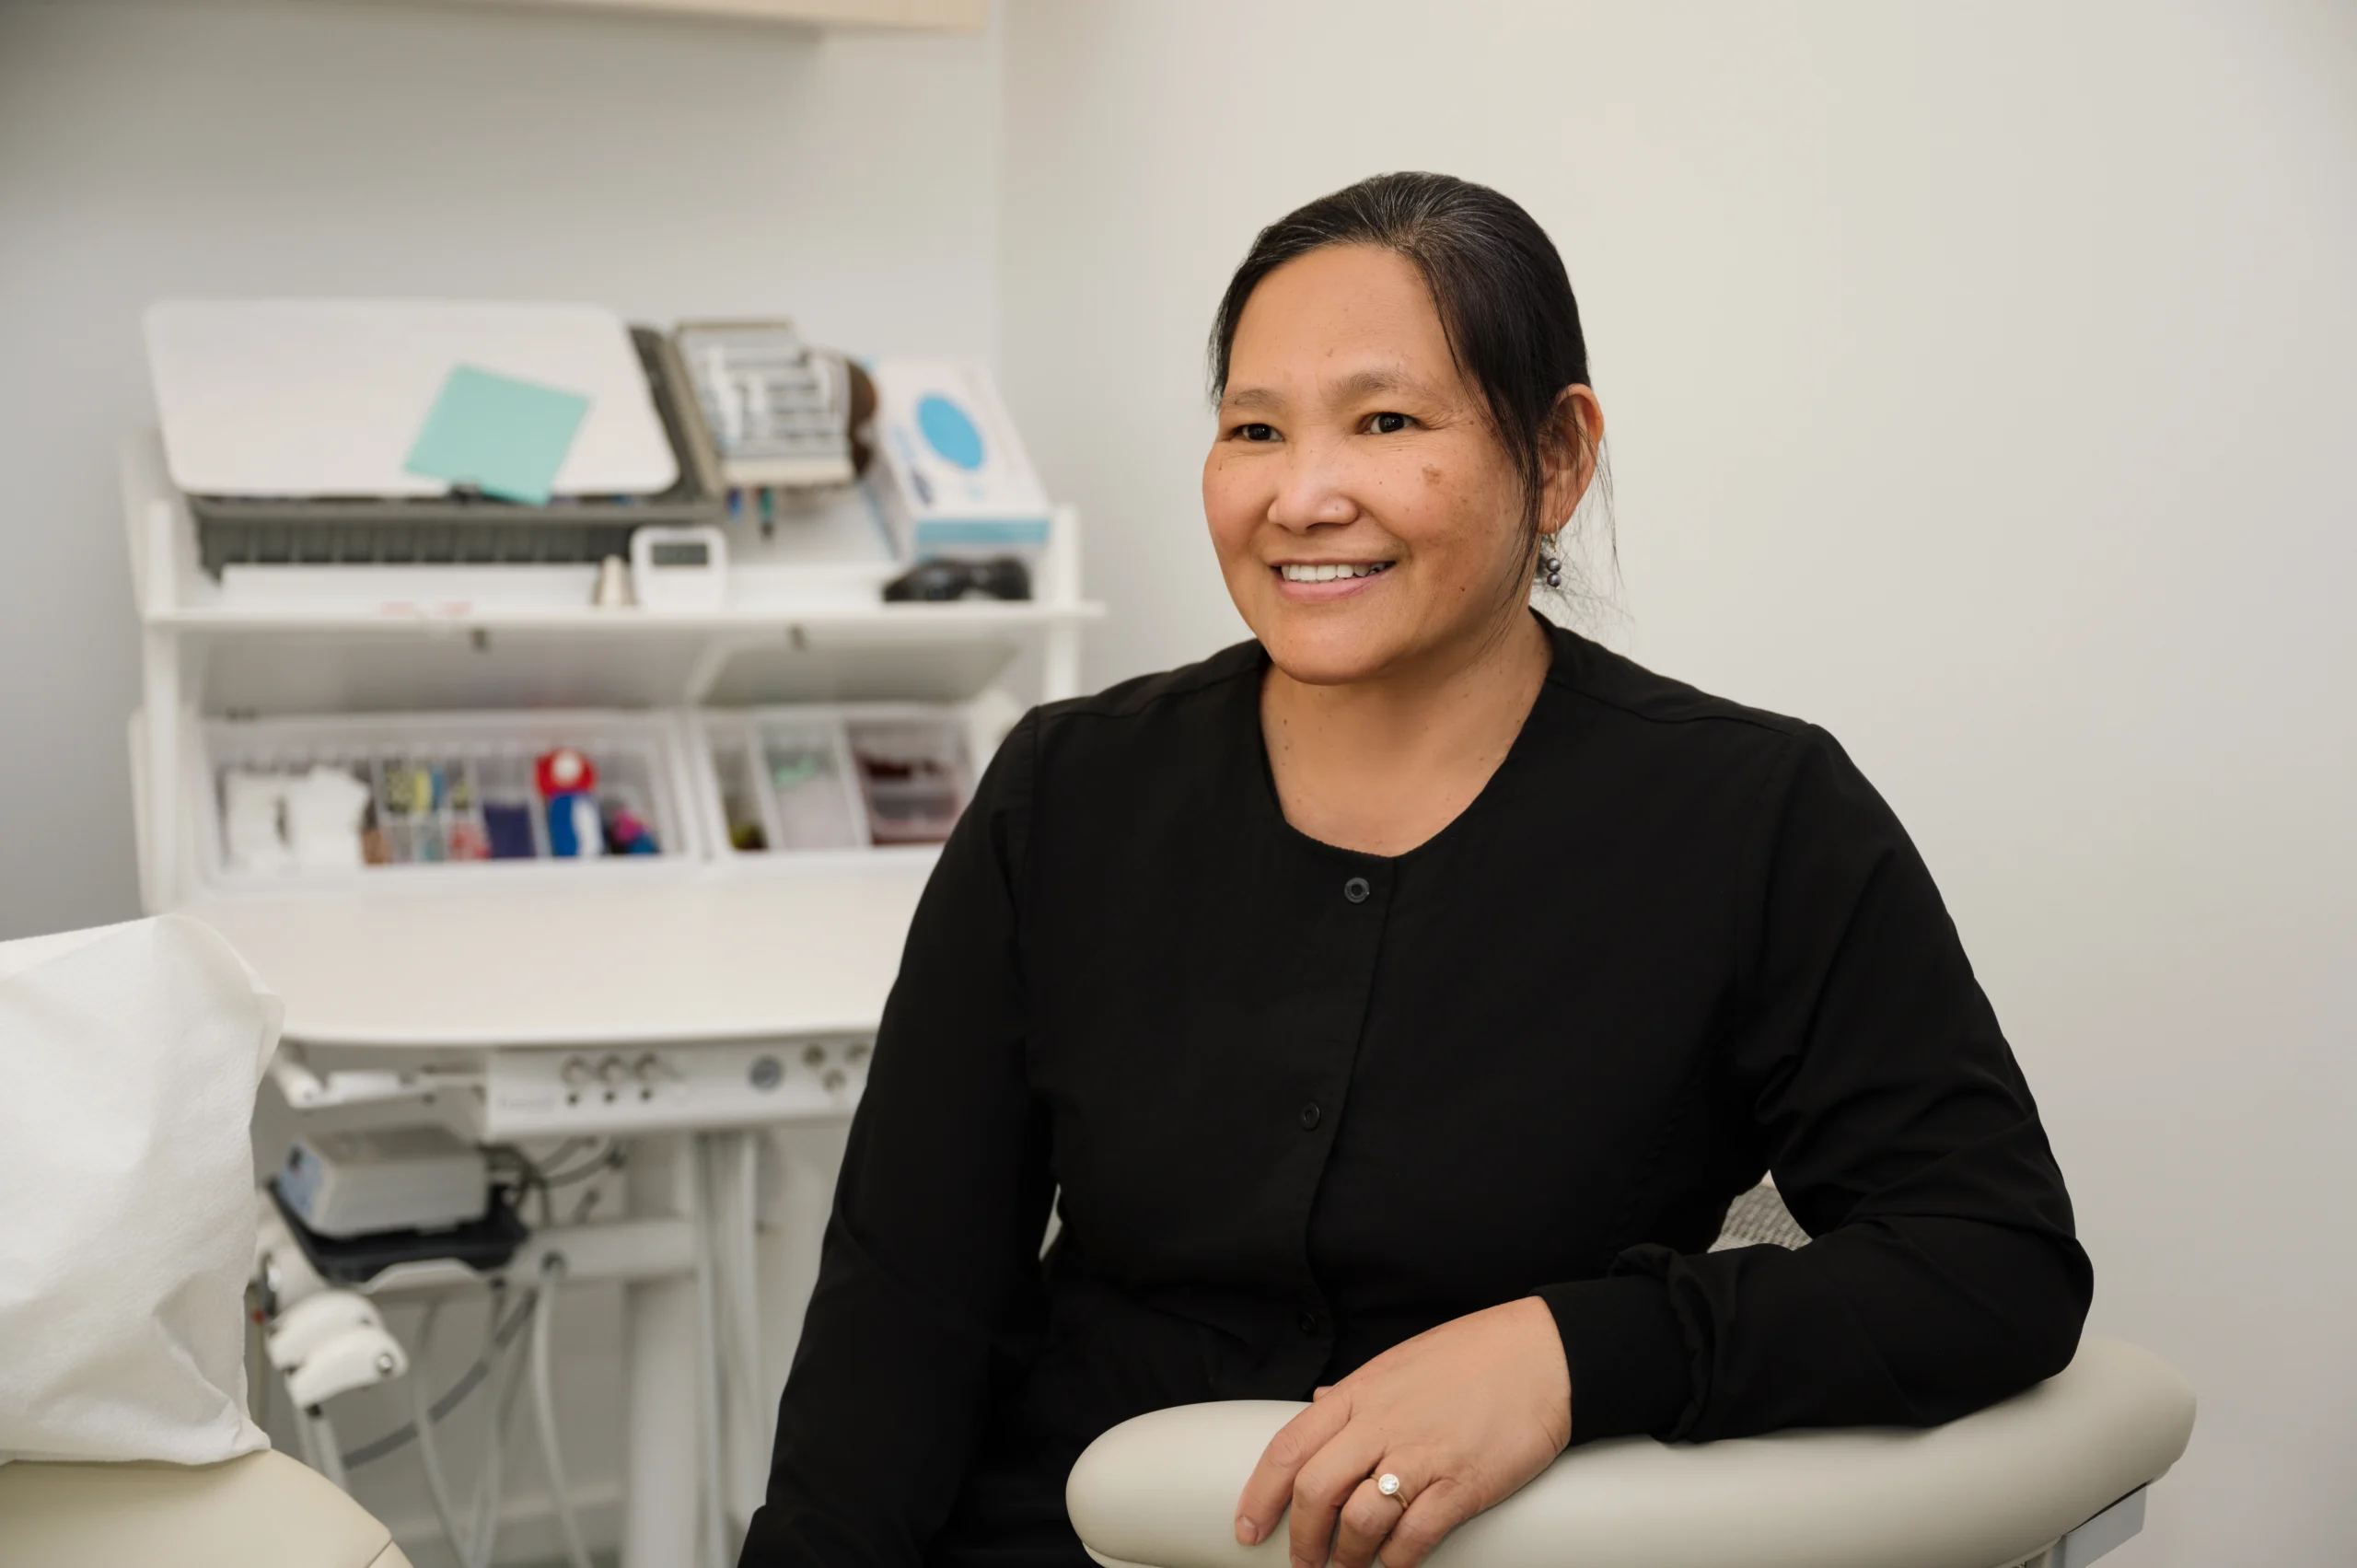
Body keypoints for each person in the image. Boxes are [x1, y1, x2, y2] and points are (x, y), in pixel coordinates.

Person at [739, 172, 2091, 1568]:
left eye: (1386, 422)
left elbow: (1990, 1259)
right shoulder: (1067, 791)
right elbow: (904, 1305)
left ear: (1556, 458)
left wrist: (1569, 1353)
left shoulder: (1755, 815)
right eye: (1254, 429)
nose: (1303, 495)